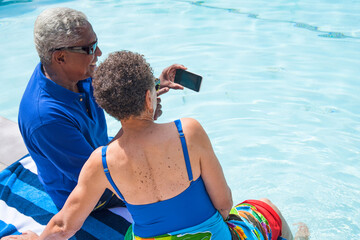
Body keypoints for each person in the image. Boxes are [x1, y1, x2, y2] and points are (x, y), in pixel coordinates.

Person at [5, 51, 309, 240]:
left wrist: (36, 239)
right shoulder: (189, 132)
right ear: (151, 98)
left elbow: (64, 225)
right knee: (266, 209)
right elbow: (224, 204)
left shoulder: (102, 161)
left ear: (109, 107)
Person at [17, 7, 185, 210]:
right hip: (89, 195)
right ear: (60, 57)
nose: (99, 53)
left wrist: (155, 85)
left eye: (96, 43)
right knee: (179, 179)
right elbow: (98, 179)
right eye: (89, 48)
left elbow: (120, 94)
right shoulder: (45, 119)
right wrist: (139, 120)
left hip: (101, 159)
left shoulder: (77, 74)